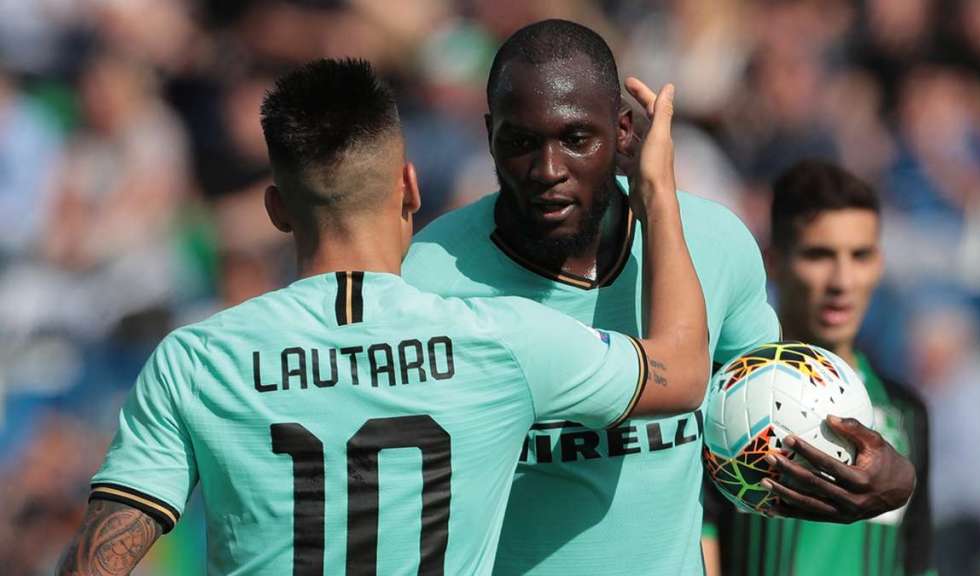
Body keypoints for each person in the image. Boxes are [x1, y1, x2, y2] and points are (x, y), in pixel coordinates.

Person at [55, 58, 709, 574]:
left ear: (277, 210)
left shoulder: (197, 360)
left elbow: (96, 563)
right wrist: (655, 192)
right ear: (410, 188)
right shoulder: (502, 341)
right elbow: (681, 371)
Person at [402, 19, 917, 575]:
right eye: (521, 142)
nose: (548, 170)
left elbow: (767, 420)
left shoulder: (714, 243)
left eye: (577, 139)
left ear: (624, 129)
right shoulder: (428, 278)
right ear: (489, 135)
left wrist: (884, 478)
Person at [701, 160, 934, 576]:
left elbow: (917, 561)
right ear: (773, 261)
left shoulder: (907, 410)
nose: (842, 281)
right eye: (818, 255)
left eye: (860, 255)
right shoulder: (724, 399)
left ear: (879, 263)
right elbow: (698, 544)